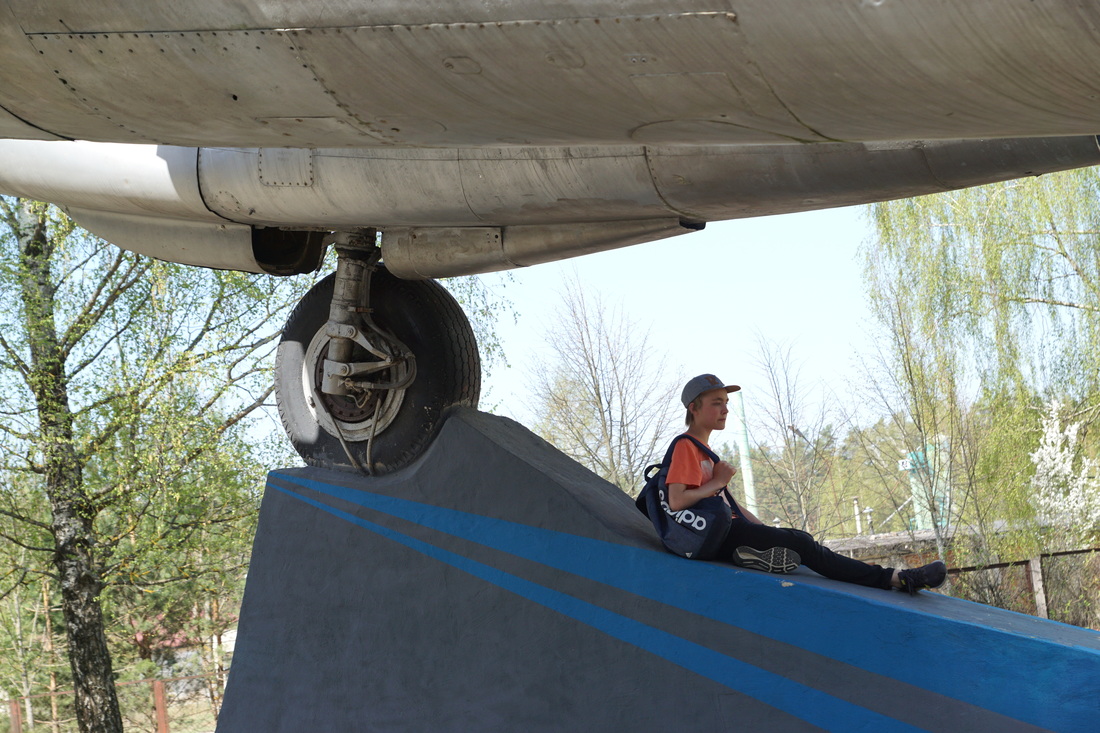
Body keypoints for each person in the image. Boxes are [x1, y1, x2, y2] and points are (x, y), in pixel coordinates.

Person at [666, 374, 947, 594]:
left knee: (796, 540)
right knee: (803, 544)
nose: (725, 409)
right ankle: (898, 578)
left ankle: (755, 554)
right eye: (717, 403)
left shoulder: (704, 451)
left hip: (731, 529)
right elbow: (677, 500)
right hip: (719, 535)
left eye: (726, 402)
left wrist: (764, 530)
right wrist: (717, 481)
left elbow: (730, 505)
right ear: (694, 408)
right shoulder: (685, 446)